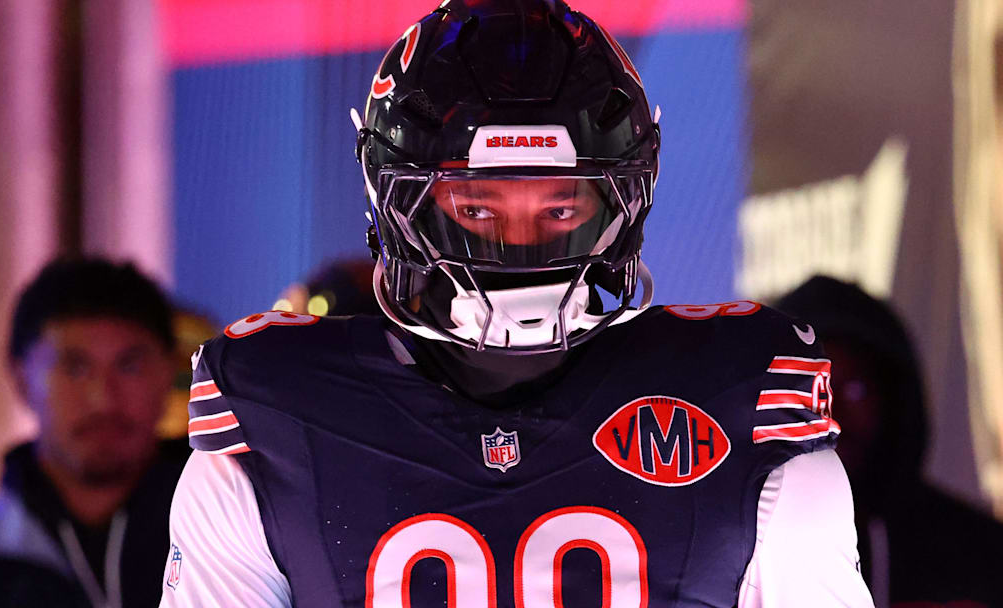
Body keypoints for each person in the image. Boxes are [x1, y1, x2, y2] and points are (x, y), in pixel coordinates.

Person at [161, 2, 873, 606]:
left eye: (560, 208)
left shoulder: (742, 400)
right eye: (477, 208)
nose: (520, 247)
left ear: (621, 202)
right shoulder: (276, 417)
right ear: (395, 199)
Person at [0, 257, 190, 608]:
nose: (103, 399)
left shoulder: (228, 531)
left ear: (168, 372)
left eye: (129, 365)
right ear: (21, 379)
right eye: (75, 368)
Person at [776, 275, 1003, 608]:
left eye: (855, 390)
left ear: (892, 399)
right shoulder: (723, 558)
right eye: (811, 391)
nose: (832, 416)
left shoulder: (979, 554)